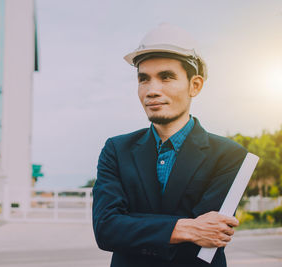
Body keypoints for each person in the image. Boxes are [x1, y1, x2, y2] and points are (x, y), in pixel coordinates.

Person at [92, 23, 247, 267]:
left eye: (166, 77)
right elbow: (106, 229)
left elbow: (207, 238)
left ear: (194, 85)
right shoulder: (116, 150)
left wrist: (134, 226)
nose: (152, 90)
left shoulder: (229, 155)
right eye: (144, 79)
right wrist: (189, 227)